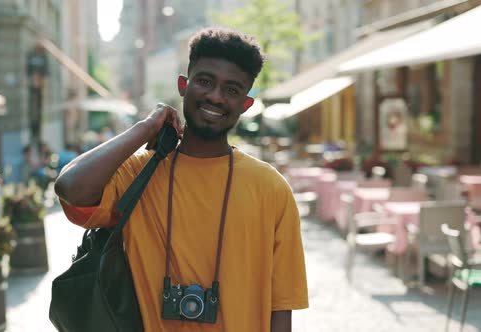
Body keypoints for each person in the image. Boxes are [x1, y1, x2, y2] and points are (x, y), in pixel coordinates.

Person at [55, 27, 308, 332]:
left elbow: (281, 306)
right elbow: (71, 188)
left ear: (245, 104)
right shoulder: (138, 172)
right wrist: (146, 127)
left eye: (231, 89)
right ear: (183, 86)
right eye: (205, 81)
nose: (215, 96)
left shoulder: (271, 188)